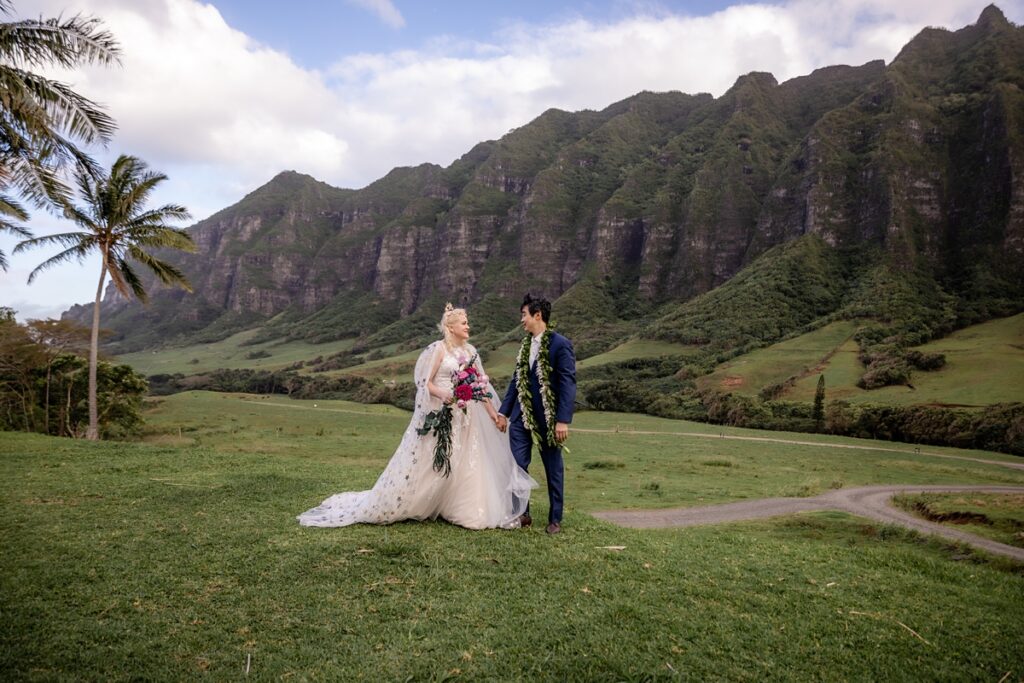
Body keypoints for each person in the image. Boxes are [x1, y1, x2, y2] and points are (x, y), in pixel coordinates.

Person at [298, 304, 536, 530]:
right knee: (438, 459)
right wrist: (443, 394)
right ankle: (422, 501)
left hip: (465, 417)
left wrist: (494, 414)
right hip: (443, 412)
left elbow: (481, 386)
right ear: (451, 327)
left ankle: (462, 508)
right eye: (464, 323)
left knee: (466, 460)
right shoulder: (439, 349)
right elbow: (426, 383)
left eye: (468, 323)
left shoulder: (471, 352)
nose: (468, 327)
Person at [497, 294, 577, 534]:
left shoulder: (560, 344)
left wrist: (562, 420)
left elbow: (567, 383)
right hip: (521, 418)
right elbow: (516, 381)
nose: (522, 320)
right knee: (518, 465)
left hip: (549, 419)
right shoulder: (524, 346)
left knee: (553, 468)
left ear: (537, 315)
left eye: (524, 314)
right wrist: (504, 413)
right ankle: (523, 513)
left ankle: (555, 519)